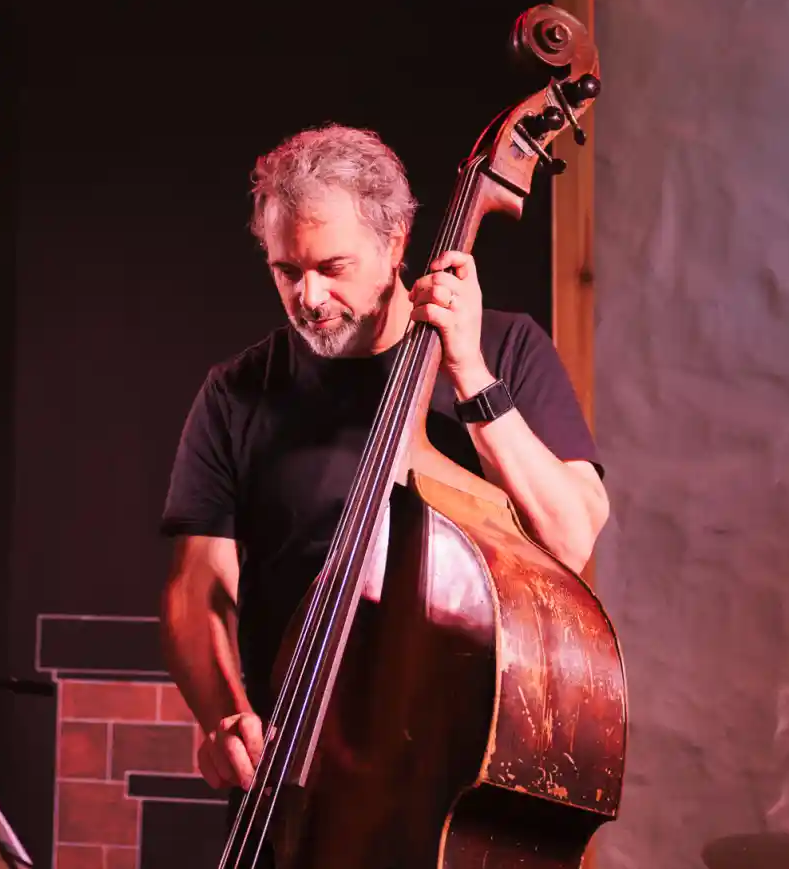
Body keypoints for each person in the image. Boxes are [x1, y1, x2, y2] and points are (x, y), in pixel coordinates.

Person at [158, 123, 608, 795]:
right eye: (287, 270)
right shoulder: (236, 392)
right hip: (297, 772)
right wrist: (227, 714)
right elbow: (199, 589)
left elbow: (569, 540)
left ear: (395, 243)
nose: (307, 297)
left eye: (331, 268)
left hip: (459, 773)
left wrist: (472, 376)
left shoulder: (507, 348)